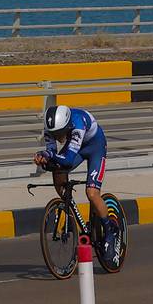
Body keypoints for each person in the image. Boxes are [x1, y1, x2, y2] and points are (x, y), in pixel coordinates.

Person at [36, 104, 117, 254]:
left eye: (60, 133)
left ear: (68, 125)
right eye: (54, 134)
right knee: (57, 170)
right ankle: (69, 208)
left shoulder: (77, 124)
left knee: (92, 193)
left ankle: (109, 232)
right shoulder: (50, 129)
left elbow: (67, 160)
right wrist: (45, 159)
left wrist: (51, 156)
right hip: (76, 147)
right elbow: (52, 154)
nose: (57, 137)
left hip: (95, 147)